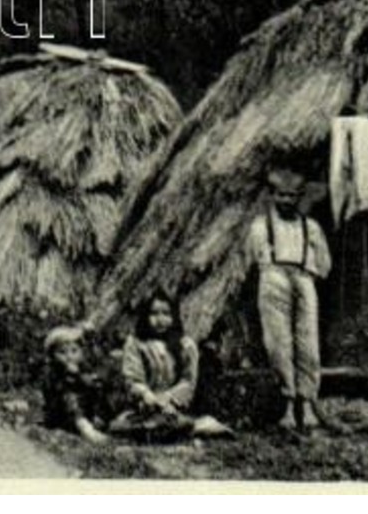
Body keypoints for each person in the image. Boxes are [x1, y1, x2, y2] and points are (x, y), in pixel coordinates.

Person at [245, 167, 332, 432]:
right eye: (281, 195)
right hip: (273, 278)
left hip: (303, 279)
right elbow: (250, 259)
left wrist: (307, 275)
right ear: (272, 196)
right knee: (278, 342)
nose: (286, 201)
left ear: (300, 197)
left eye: (292, 196)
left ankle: (306, 404)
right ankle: (287, 403)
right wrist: (272, 274)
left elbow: (325, 263)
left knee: (308, 343)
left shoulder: (311, 227)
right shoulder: (261, 226)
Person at [107, 292, 232, 442]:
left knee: (175, 422)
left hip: (173, 407)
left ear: (174, 316)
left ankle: (184, 428)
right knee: (120, 426)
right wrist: (147, 395)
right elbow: (132, 378)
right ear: (145, 316)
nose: (160, 320)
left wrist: (168, 398)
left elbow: (188, 381)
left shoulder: (185, 345)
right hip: (144, 407)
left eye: (166, 313)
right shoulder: (135, 344)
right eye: (154, 313)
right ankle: (169, 431)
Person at [41, 324, 109, 445]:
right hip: (60, 412)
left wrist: (80, 376)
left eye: (74, 351)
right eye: (62, 352)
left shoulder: (82, 367)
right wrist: (72, 376)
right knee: (69, 397)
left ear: (81, 352)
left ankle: (97, 419)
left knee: (98, 389)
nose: (69, 356)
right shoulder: (52, 371)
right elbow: (55, 390)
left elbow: (93, 383)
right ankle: (85, 428)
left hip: (84, 409)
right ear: (52, 356)